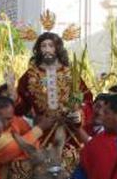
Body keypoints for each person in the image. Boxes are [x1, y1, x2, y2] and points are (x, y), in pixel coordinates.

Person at [14, 32, 92, 168]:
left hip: (70, 135)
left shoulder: (71, 73)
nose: (47, 49)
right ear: (38, 50)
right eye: (43, 46)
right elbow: (20, 108)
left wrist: (79, 115)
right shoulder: (29, 76)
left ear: (58, 48)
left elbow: (88, 100)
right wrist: (12, 93)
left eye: (51, 45)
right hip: (42, 134)